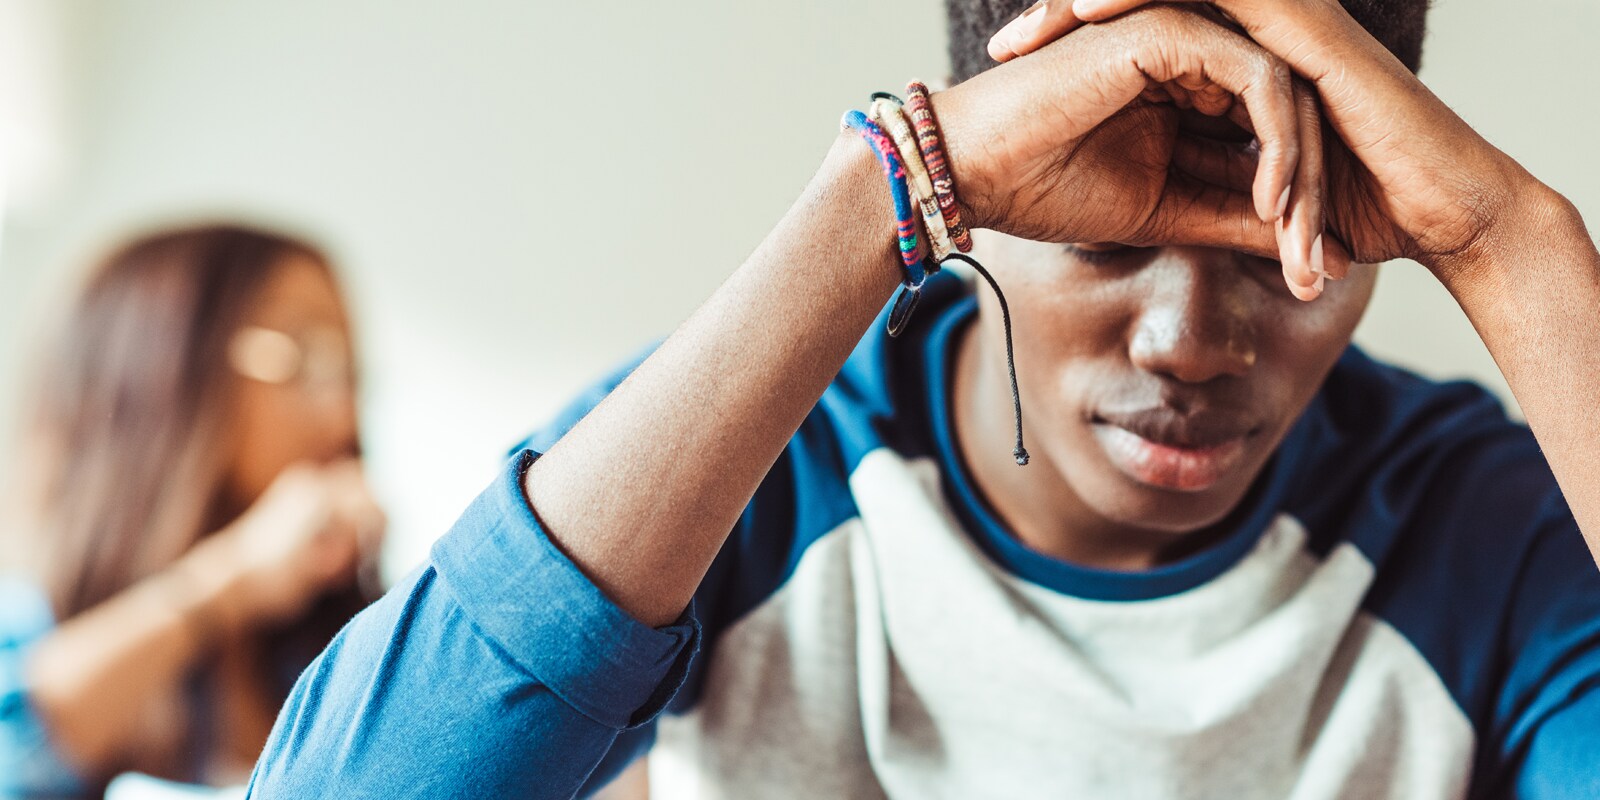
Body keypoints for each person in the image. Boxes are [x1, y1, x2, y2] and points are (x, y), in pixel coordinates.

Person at [249, 0, 1600, 797]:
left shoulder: (1483, 525)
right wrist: (881, 190)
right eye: (1105, 237)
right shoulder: (755, 464)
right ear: (1003, 195)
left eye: (1288, 241)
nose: (1192, 341)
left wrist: (1525, 251)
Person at [0, 225, 384, 797]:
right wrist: (232, 578)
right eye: (302, 355)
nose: (344, 414)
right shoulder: (31, 620)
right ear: (161, 368)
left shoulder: (322, 651)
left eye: (348, 371)